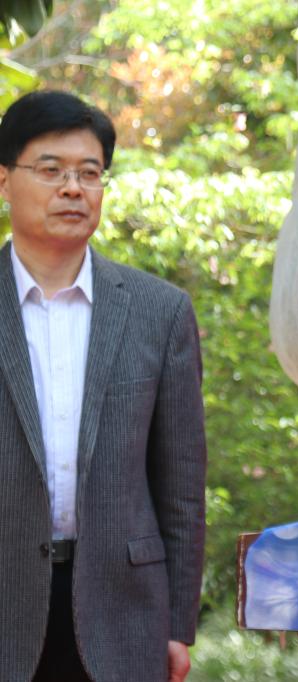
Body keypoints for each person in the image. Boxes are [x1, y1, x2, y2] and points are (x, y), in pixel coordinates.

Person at [0, 91, 206, 681]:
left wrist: (177, 624)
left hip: (122, 612)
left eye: (89, 174)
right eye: (51, 170)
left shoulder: (159, 311)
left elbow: (181, 484)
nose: (73, 189)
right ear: (5, 181)